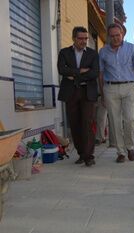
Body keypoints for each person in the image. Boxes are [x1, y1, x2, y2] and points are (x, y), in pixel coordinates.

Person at [99, 23, 134, 163]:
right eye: (112, 36)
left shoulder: (131, 48)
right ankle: (120, 152)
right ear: (108, 36)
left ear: (122, 34)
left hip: (129, 87)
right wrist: (102, 94)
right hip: (110, 89)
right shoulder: (103, 52)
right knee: (114, 121)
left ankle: (130, 146)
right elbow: (100, 74)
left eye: (118, 35)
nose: (115, 38)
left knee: (130, 118)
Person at [57, 26, 99, 167]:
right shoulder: (64, 52)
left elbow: (94, 72)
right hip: (71, 92)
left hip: (88, 92)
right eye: (80, 38)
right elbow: (62, 70)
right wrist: (81, 71)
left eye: (86, 38)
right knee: (74, 124)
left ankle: (89, 156)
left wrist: (73, 74)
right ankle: (81, 153)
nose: (84, 41)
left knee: (87, 123)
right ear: (74, 38)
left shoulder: (93, 54)